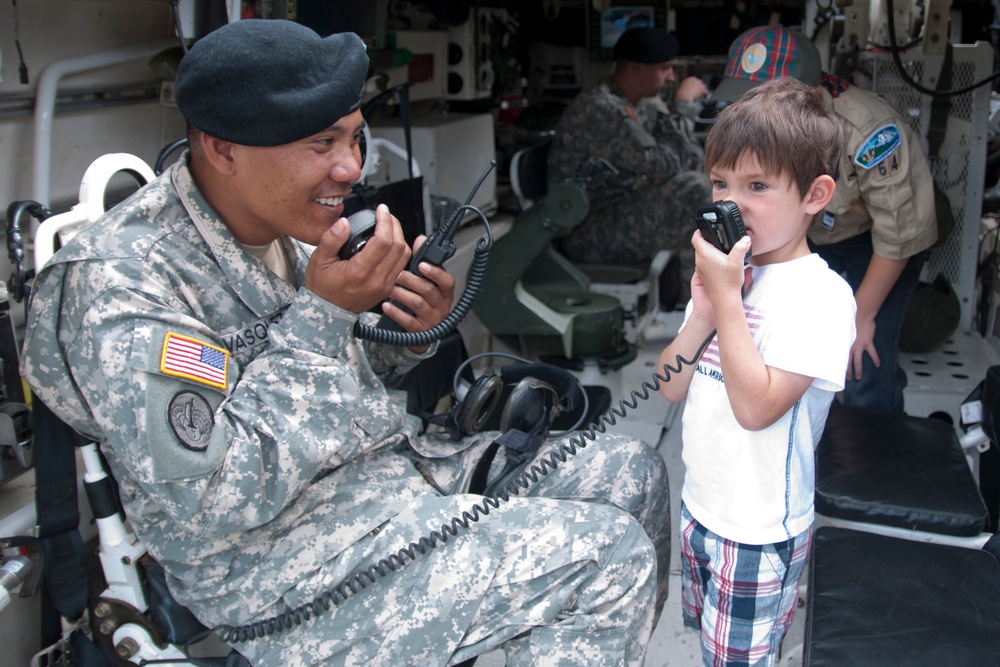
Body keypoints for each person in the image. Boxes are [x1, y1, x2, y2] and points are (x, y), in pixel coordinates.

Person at [19, 19, 672, 666]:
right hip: (280, 574)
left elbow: (333, 378)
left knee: (629, 473)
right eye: (321, 143)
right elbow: (213, 495)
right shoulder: (121, 282)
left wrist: (407, 336)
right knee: (604, 559)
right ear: (223, 150)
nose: (351, 168)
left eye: (356, 138)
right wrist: (326, 311)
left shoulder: (288, 221)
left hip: (392, 482)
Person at [657, 77, 857, 665]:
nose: (729, 203)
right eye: (721, 183)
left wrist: (725, 301)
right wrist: (702, 312)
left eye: (757, 186)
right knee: (713, 647)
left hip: (759, 529)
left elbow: (755, 409)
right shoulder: (731, 275)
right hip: (702, 506)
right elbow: (670, 386)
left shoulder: (820, 297)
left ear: (815, 195)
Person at [712, 24, 939, 414]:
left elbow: (898, 234)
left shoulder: (867, 129)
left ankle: (871, 454)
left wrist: (861, 315)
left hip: (879, 242)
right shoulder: (747, 130)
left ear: (813, 96)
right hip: (807, 233)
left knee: (864, 353)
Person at [547, 26, 712, 304]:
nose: (672, 77)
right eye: (665, 69)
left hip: (615, 215)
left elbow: (684, 158)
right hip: (588, 235)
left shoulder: (630, 105)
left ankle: (704, 293)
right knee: (694, 190)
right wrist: (683, 105)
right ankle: (696, 303)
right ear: (636, 70)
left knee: (707, 177)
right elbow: (670, 164)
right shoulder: (600, 109)